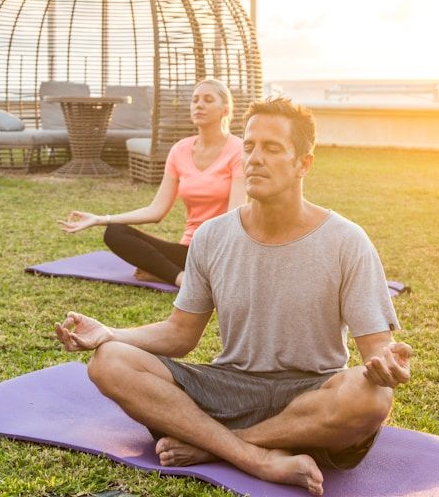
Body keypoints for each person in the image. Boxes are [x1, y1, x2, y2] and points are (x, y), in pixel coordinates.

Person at [55, 97, 411, 496]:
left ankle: (213, 445)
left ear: (303, 164)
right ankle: (253, 457)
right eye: (249, 146)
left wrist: (385, 366)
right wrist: (110, 333)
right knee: (109, 362)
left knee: (372, 397)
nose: (255, 158)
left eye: (272, 148)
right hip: (227, 386)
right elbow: (179, 335)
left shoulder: (347, 241)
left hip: (311, 395)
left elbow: (377, 350)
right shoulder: (212, 236)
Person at [59, 79, 245, 286]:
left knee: (217, 258)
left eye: (208, 100)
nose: (199, 105)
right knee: (115, 232)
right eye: (195, 100)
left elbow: (233, 220)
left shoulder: (239, 151)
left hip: (222, 251)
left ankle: (167, 273)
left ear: (225, 110)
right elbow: (156, 211)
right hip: (189, 251)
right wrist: (100, 219)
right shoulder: (179, 150)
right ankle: (182, 279)